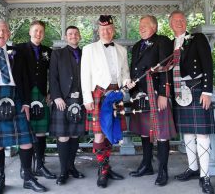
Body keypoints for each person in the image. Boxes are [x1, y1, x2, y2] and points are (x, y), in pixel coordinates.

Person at [0, 19, 47, 194]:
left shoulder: (16, 54)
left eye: (4, 30)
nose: (0, 33)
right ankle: (0, 179)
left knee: (26, 141)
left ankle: (28, 178)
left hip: (17, 98)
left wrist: (27, 102)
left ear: (8, 34)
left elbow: (24, 79)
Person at [81, 15, 133, 188]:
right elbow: (85, 75)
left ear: (114, 30)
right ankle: (102, 169)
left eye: (109, 29)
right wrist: (87, 98)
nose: (106, 32)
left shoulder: (122, 50)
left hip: (116, 95)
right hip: (98, 94)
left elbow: (125, 72)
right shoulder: (89, 49)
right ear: (98, 30)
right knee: (99, 133)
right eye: (103, 29)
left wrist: (127, 81)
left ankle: (107, 167)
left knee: (112, 131)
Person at [169, 10, 215, 194]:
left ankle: (205, 177)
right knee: (188, 132)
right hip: (179, 92)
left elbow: (208, 64)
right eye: (175, 21)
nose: (179, 23)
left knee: (202, 134)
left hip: (197, 90)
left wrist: (207, 91)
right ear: (171, 24)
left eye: (182, 20)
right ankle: (193, 168)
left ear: (186, 22)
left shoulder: (197, 38)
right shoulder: (171, 44)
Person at [128, 15, 176, 186]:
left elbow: (166, 68)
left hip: (156, 94)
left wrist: (164, 93)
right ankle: (146, 165)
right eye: (140, 25)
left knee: (161, 134)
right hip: (140, 94)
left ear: (154, 27)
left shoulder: (162, 41)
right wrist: (132, 91)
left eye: (145, 25)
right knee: (144, 132)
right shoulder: (135, 46)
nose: (141, 28)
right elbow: (134, 71)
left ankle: (163, 170)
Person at [16, 20, 56, 180]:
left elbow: (54, 73)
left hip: (41, 94)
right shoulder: (19, 49)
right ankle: (25, 167)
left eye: (41, 31)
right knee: (25, 132)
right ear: (30, 32)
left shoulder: (48, 51)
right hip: (24, 95)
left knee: (40, 133)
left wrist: (51, 92)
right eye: (36, 30)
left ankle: (40, 165)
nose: (38, 33)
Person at [49, 26, 86, 185]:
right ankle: (63, 171)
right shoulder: (57, 53)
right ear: (65, 37)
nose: (73, 36)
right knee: (63, 136)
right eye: (70, 34)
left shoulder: (87, 53)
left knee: (75, 135)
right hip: (63, 100)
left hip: (81, 100)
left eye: (76, 33)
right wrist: (56, 96)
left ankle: (72, 167)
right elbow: (53, 76)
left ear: (80, 36)